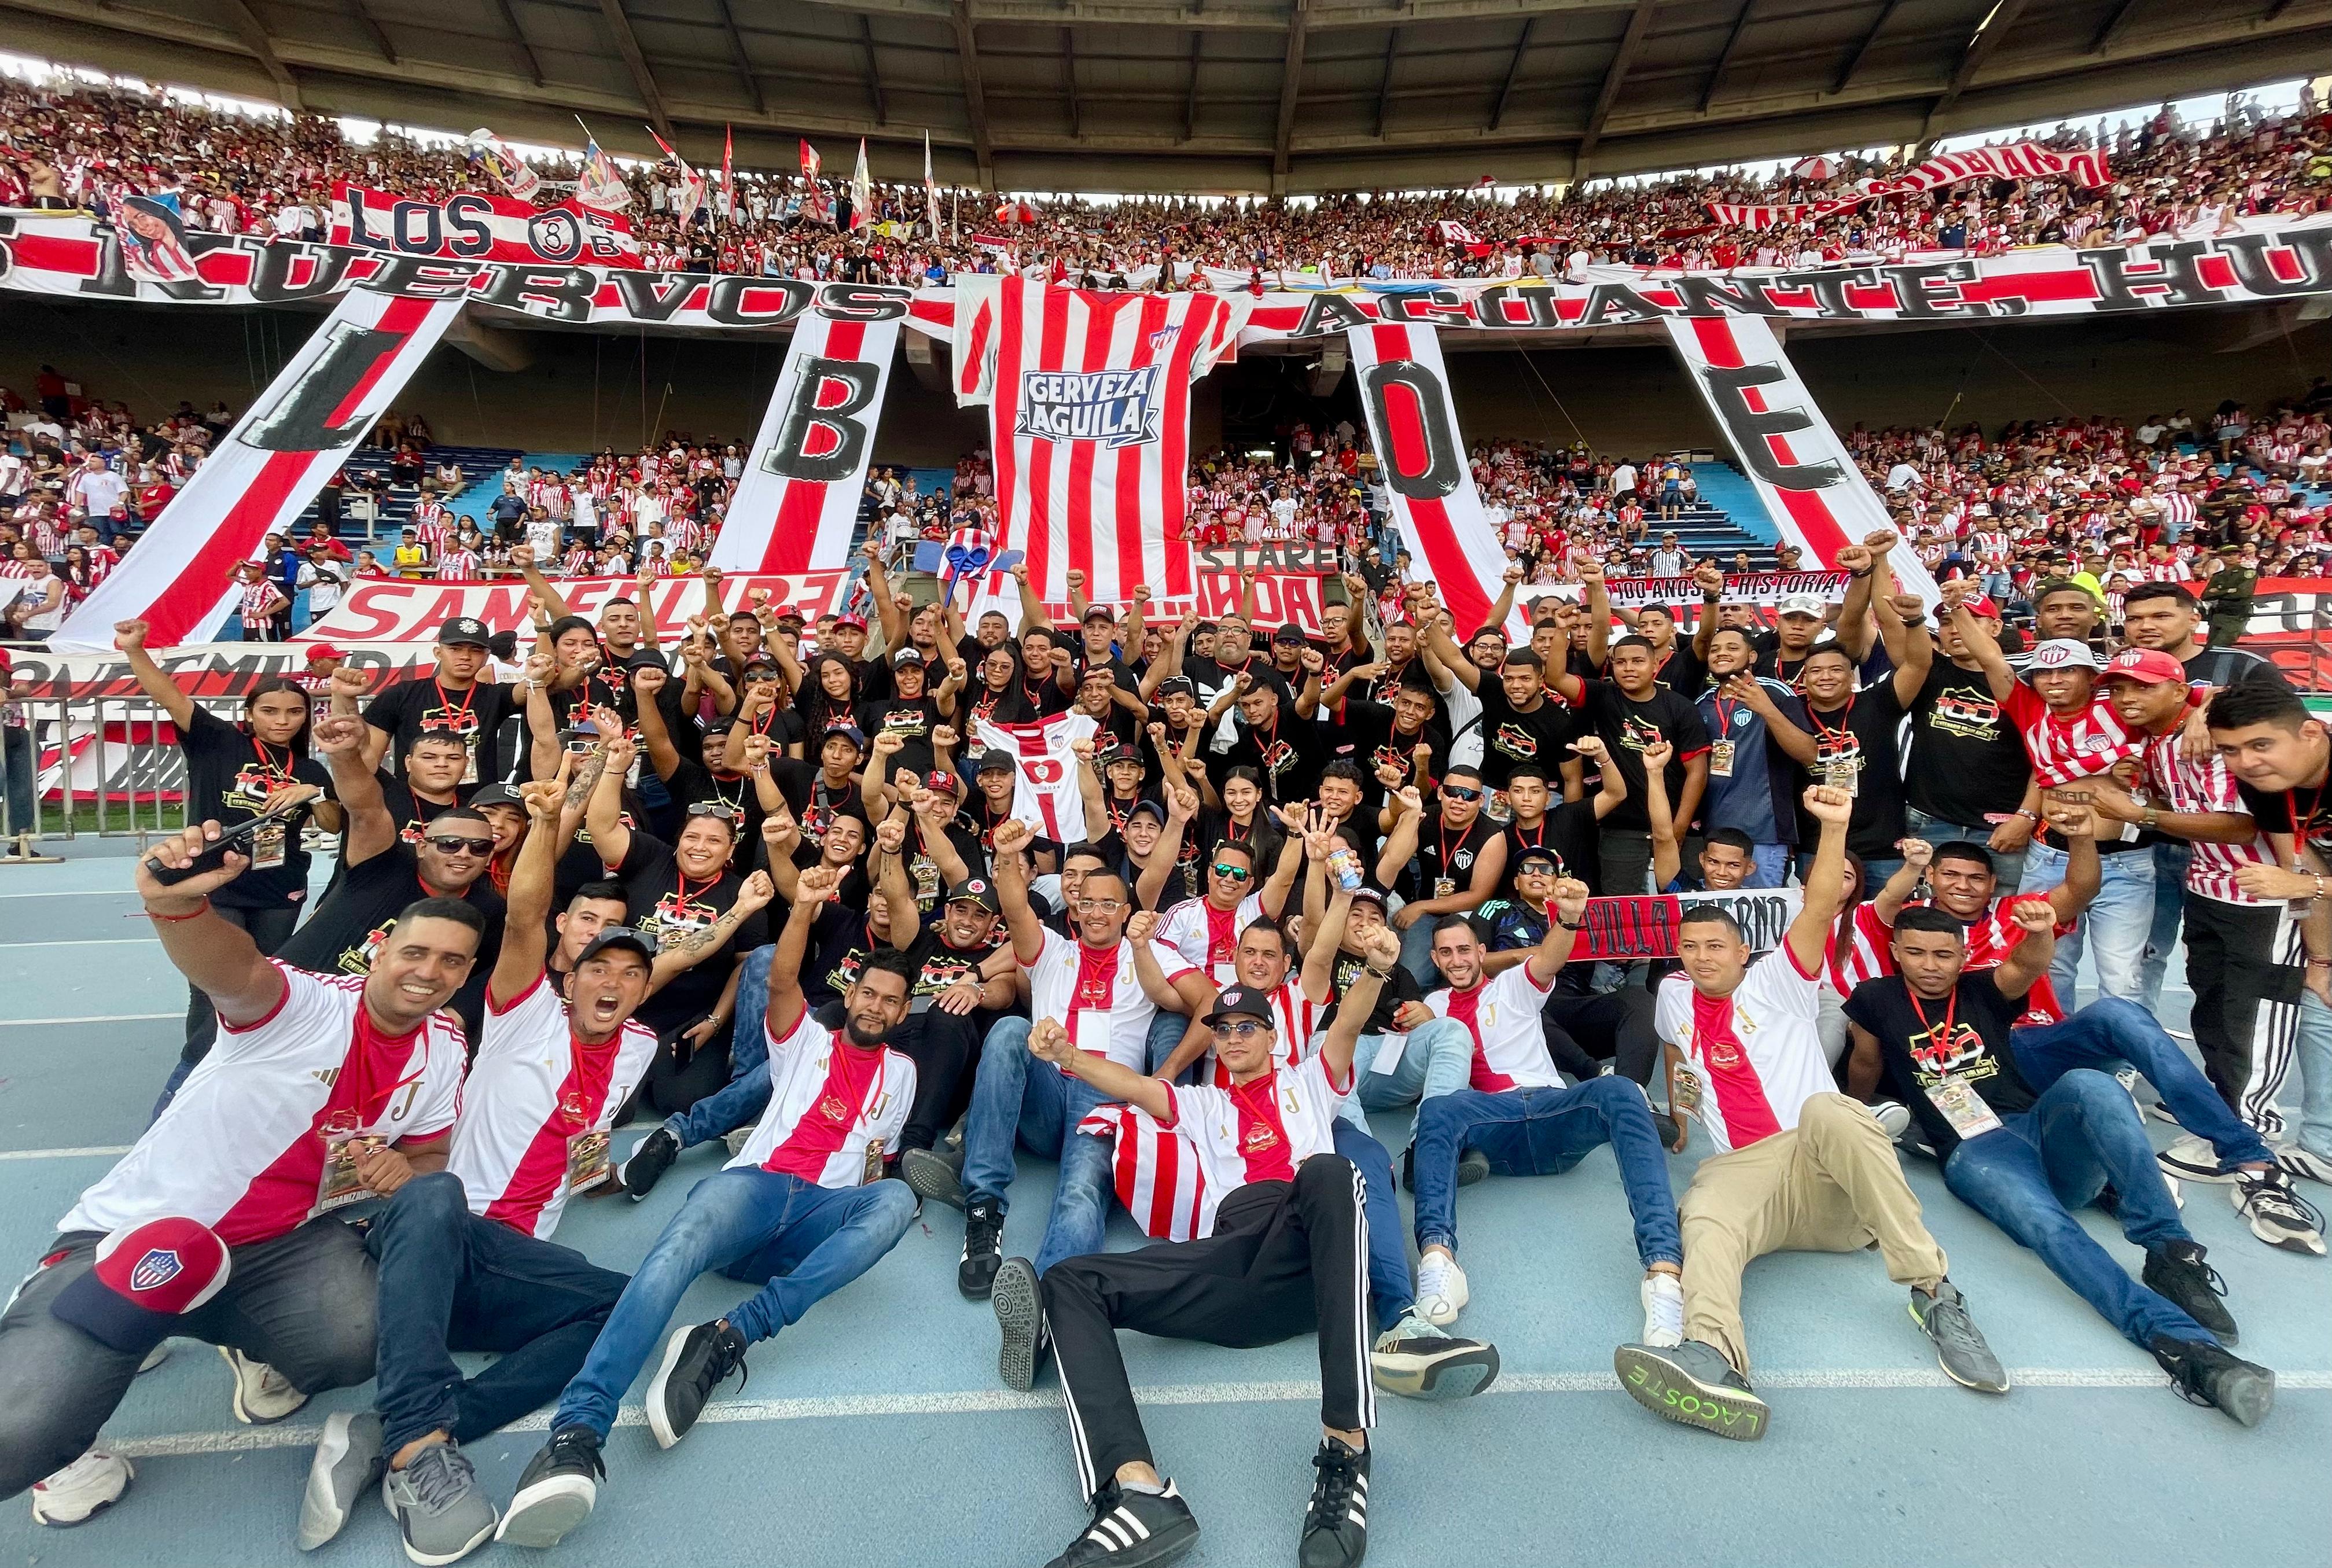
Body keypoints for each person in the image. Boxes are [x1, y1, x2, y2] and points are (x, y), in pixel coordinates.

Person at [0, 822, 470, 1523]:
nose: (430, 972)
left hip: (279, 1245)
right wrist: (177, 907)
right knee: (17, 1435)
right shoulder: (305, 1004)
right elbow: (237, 970)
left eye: (453, 962)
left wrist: (401, 1168)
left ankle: (240, 1336)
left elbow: (430, 1156)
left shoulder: (445, 1047)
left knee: (363, 1338)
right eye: (415, 952)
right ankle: (69, 1324)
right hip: (148, 1228)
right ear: (380, 951)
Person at [496, 866, 921, 1549]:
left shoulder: (903, 1074)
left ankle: (728, 1336)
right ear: (852, 994)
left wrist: (862, 1206)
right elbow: (781, 982)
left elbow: (877, 1158)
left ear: (903, 1012)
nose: (874, 1007)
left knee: (898, 1197)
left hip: (814, 1221)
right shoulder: (806, 1037)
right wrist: (803, 911)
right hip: (753, 1188)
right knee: (678, 1248)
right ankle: (578, 1428)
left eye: (889, 1001)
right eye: (866, 992)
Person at [296, 773, 649, 1561]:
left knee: (622, 1310)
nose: (612, 981)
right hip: (438, 1233)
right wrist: (550, 825)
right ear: (568, 969)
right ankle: (415, 1443)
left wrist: (606, 1175)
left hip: (497, 1269)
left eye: (631, 973)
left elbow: (584, 1136)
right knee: (438, 1194)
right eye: (597, 964)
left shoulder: (641, 1049)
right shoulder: (525, 1010)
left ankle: (389, 1427)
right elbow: (524, 916)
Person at [1614, 784, 2006, 1442]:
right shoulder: (1674, 995)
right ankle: (1714, 1360)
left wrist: (1832, 827)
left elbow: (1822, 900)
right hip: (1745, 1177)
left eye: (1716, 945)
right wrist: (1681, 1118)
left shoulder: (1781, 979)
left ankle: (1935, 1294)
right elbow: (1678, 1058)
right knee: (1704, 1208)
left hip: (1820, 1171)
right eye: (1691, 947)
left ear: (1745, 952)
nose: (1702, 955)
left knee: (1832, 1107)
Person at [1023, 939, 1403, 1568]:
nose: (1231, 1038)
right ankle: (1138, 1493)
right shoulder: (1204, 1103)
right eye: (1221, 1029)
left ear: (1272, 1034)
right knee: (1067, 1280)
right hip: (1229, 1263)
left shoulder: (1311, 1080)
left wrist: (1379, 970)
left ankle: (1346, 1446)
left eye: (1245, 1026)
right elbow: (1134, 1085)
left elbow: (1351, 1021)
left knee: (1330, 1171)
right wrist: (1068, 1056)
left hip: (1307, 1248)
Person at [1844, 907, 2278, 1425]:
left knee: (2093, 1084)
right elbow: (1866, 1063)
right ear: (1896, 953)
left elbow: (2025, 967)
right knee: (2051, 1228)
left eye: (1944, 954)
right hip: (1977, 1153)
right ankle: (2186, 1348)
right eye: (1915, 952)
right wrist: (1856, 1118)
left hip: (2036, 1125)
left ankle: (2168, 1251)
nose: (1930, 966)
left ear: (1964, 954)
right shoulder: (1875, 998)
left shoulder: (1983, 990)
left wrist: (2039, 931)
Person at [911, 817, 1206, 1352]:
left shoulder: (1151, 954)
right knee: (1008, 1032)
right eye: (1087, 903)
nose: (1096, 912)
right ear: (1075, 908)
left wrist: (1161, 1077)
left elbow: (1210, 1006)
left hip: (1106, 1098)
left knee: (1078, 1194)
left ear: (1125, 912)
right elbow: (1016, 907)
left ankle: (1043, 1314)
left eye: (1108, 904)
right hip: (1047, 1093)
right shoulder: (1052, 949)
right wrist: (1005, 857)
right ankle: (984, 1210)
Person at [1404, 888, 1687, 1353]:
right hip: (1493, 1124)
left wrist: (1569, 921)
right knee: (1438, 1109)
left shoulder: (1512, 984)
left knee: (1619, 1089)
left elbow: (1549, 960)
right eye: (1446, 952)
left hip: (1553, 1109)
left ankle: (1663, 1275)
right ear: (1434, 958)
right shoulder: (1431, 1009)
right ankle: (1438, 1260)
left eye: (1464, 950)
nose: (1456, 960)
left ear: (1481, 952)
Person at [116, 620, 341, 1107]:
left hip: (280, 887)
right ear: (250, 713)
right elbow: (167, 695)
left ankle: (258, 1067)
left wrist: (317, 791)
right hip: (215, 884)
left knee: (269, 977)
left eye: (294, 712)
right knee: (211, 985)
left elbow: (334, 824)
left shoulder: (308, 767)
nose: (283, 720)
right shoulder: (217, 742)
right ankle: (194, 1078)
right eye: (270, 710)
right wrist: (136, 649)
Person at [277, 714, 506, 1043]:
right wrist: (345, 756)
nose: (463, 854)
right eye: (450, 844)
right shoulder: (384, 864)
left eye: (479, 847)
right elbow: (366, 810)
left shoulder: (488, 908)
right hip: (297, 1001)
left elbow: (488, 974)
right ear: (423, 847)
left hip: (371, 1032)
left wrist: (454, 1019)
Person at [2208, 681, 2332, 1188]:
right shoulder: (2265, 781)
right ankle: (2323, 1144)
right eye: (2230, 750)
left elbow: (2306, 878)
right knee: (2318, 1005)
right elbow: (2300, 861)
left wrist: (2310, 883)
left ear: (2311, 732)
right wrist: (2321, 963)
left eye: (2260, 745)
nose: (2246, 762)